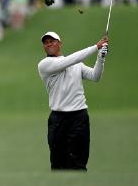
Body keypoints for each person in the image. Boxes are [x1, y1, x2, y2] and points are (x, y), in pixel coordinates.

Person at [37, 31, 109, 171]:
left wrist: (101, 58)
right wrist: (96, 47)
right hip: (58, 119)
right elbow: (69, 61)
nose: (49, 44)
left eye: (52, 41)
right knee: (58, 164)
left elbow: (95, 76)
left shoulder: (76, 64)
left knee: (79, 163)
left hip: (79, 117)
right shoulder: (44, 65)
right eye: (46, 42)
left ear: (60, 43)